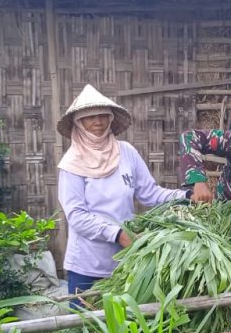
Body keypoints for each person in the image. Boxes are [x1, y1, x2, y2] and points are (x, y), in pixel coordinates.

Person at [57, 84, 190, 301]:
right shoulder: (71, 164)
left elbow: (150, 193)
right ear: (78, 124)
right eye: (89, 118)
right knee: (84, 329)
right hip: (88, 265)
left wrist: (185, 197)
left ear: (110, 119)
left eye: (102, 116)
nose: (98, 122)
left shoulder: (126, 152)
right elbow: (77, 217)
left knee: (124, 328)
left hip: (125, 262)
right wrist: (118, 235)